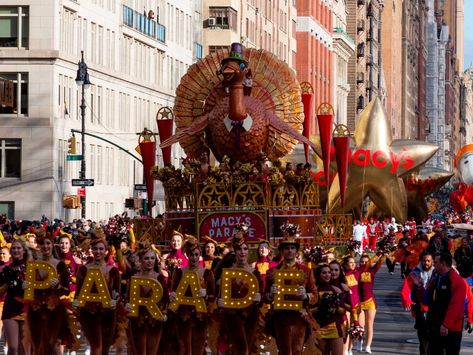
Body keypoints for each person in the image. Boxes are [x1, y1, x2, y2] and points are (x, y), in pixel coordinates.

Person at [265, 222, 317, 354]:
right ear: (282, 251)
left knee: (297, 350)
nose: (290, 251)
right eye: (287, 248)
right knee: (285, 351)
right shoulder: (272, 272)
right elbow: (265, 296)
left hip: (299, 316)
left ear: (296, 251)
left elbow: (315, 296)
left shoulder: (306, 271)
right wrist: (271, 294)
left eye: (292, 248)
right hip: (280, 316)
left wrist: (306, 295)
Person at [24, 230, 75, 354]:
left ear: (52, 245)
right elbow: (29, 289)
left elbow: (66, 290)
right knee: (37, 345)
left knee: (53, 344)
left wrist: (58, 287)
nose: (45, 246)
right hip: (36, 309)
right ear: (38, 246)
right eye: (42, 244)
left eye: (48, 243)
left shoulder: (60, 265)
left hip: (54, 310)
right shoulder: (33, 265)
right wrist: (25, 286)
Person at [74, 230, 121, 355]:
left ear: (106, 251)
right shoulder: (83, 270)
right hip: (89, 313)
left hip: (108, 314)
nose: (98, 252)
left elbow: (117, 292)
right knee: (96, 346)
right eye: (95, 249)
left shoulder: (113, 271)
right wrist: (76, 303)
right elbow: (78, 292)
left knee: (105, 349)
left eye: (101, 249)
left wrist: (115, 301)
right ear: (91, 250)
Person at [217, 226, 262, 355]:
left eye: (245, 249)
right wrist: (220, 301)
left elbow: (262, 295)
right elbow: (219, 294)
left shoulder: (254, 272)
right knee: (242, 349)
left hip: (251, 314)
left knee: (247, 347)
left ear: (248, 251)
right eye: (239, 249)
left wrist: (259, 298)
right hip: (232, 314)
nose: (242, 252)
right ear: (235, 252)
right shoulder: (227, 272)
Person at [171, 237, 215, 355]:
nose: (194, 258)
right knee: (185, 349)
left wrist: (206, 294)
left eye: (196, 254)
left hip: (200, 316)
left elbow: (213, 295)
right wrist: (173, 296)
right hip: (183, 316)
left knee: (198, 348)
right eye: (191, 255)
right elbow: (174, 292)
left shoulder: (207, 273)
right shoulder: (179, 272)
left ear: (200, 254)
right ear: (187, 255)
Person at [126, 239, 168, 355]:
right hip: (137, 322)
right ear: (140, 260)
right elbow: (127, 299)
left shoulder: (159, 278)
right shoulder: (134, 278)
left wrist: (164, 313)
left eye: (152, 258)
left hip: (155, 322)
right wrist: (127, 306)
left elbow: (165, 300)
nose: (150, 261)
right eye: (146, 258)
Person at [427, 253, 467, 355]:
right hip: (435, 326)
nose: (433, 265)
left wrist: (446, 324)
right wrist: (419, 287)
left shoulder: (456, 281)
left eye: (436, 262)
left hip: (451, 328)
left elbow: (456, 305)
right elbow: (426, 300)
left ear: (443, 263)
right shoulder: (436, 278)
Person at [313, 263, 351, 355]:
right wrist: (320, 308)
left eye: (329, 272)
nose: (328, 275)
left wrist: (335, 307)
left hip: (335, 327)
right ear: (319, 275)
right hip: (319, 328)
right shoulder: (314, 290)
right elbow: (308, 311)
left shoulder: (337, 290)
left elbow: (343, 310)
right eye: (324, 273)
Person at [400, 253, 434, 355]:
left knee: (433, 338)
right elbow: (406, 289)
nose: (426, 263)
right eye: (424, 260)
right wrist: (407, 300)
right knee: (423, 337)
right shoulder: (414, 274)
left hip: (434, 309)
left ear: (432, 262)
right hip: (420, 309)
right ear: (421, 261)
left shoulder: (437, 273)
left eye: (428, 261)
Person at [0, 239, 29, 355]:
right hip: (10, 309)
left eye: (18, 248)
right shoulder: (5, 269)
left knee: (24, 349)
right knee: (13, 347)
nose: (16, 250)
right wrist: (7, 283)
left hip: (26, 309)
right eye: (13, 248)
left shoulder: (31, 267)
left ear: (24, 250)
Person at [358, 253, 384, 354]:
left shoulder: (372, 270)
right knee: (360, 325)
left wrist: (384, 253)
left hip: (370, 301)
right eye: (362, 262)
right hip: (359, 302)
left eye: (365, 262)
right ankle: (359, 342)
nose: (363, 263)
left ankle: (368, 346)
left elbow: (380, 261)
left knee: (369, 325)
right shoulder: (357, 271)